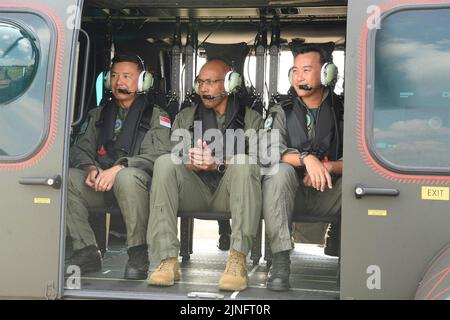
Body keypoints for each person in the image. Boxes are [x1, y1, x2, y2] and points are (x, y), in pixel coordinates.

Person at [146, 59, 263, 291]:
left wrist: (217, 163)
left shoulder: (251, 119)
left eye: (211, 82)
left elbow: (260, 163)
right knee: (165, 163)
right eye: (200, 82)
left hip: (231, 195)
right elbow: (176, 156)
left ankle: (237, 260)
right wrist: (192, 161)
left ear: (230, 84)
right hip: (194, 190)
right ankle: (168, 260)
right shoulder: (185, 117)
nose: (204, 89)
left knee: (244, 162)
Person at [65, 53, 171, 280]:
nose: (119, 82)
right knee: (67, 178)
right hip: (100, 185)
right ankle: (86, 250)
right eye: (114, 76)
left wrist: (121, 167)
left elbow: (160, 155)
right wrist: (89, 169)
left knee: (127, 177)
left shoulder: (155, 116)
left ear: (143, 81)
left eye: (126, 76)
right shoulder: (98, 115)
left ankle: (137, 253)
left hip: (140, 187)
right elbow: (79, 149)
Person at [262, 44, 343, 291]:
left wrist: (328, 168)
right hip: (290, 193)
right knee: (279, 172)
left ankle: (349, 259)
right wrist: (307, 158)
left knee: (360, 184)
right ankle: (280, 262)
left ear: (327, 73)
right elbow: (267, 152)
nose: (299, 77)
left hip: (329, 192)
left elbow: (363, 158)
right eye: (295, 70)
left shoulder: (345, 111)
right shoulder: (280, 110)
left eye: (307, 70)